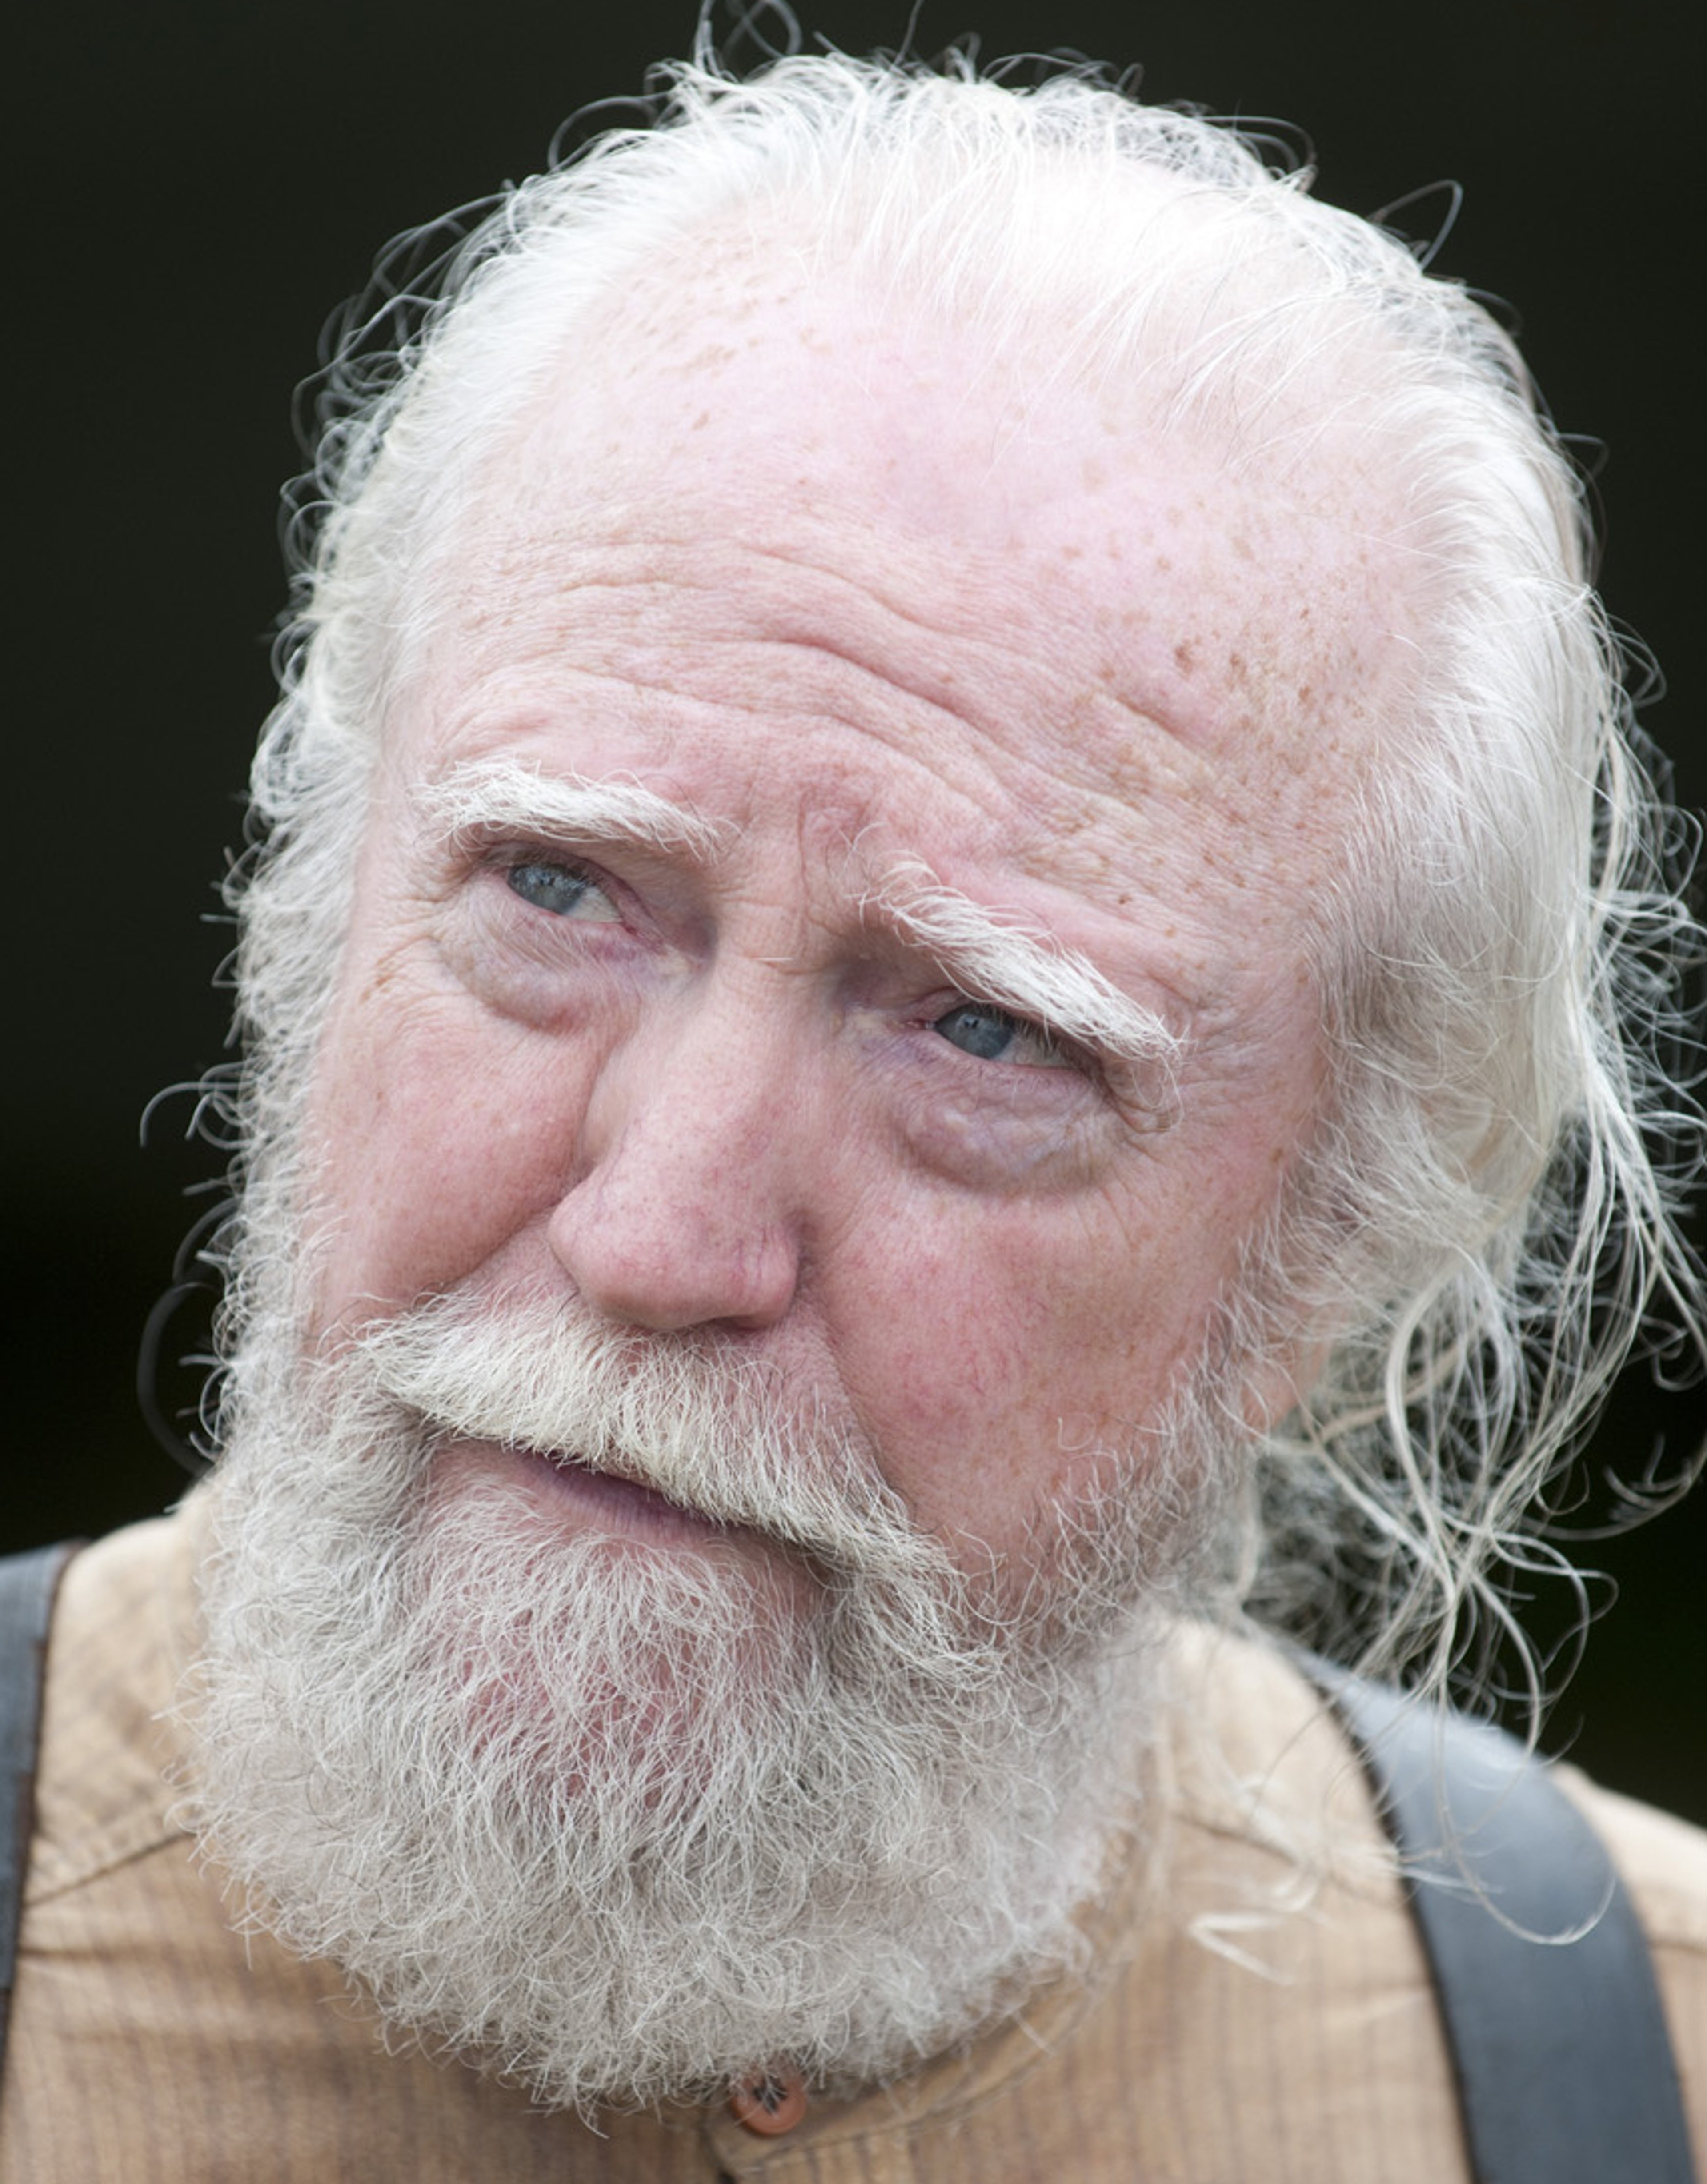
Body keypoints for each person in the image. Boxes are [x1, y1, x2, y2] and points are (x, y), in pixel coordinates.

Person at [4, 42, 1704, 2182]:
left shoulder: (1644, 2077)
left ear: (1328, 1249)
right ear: (311, 915)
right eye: (559, 888)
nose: (657, 1236)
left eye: (987, 1032)